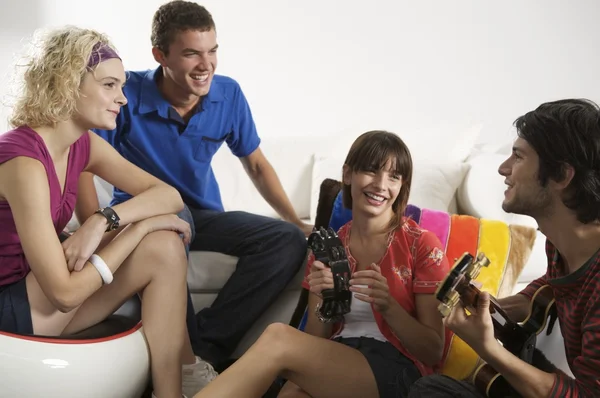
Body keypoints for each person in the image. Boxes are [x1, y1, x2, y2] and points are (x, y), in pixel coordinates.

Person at [75, 0, 309, 370]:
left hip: (204, 215)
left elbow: (258, 166)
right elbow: (84, 163)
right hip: (146, 218)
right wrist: (95, 224)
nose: (206, 65)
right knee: (171, 207)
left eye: (212, 50)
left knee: (286, 240)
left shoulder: (227, 95)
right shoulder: (125, 95)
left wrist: (295, 220)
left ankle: (205, 348)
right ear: (160, 55)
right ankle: (188, 362)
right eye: (191, 54)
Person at [0, 26, 217, 398]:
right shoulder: (23, 162)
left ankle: (170, 393)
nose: (123, 98)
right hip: (12, 304)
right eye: (109, 85)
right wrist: (136, 230)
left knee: (166, 244)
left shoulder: (82, 145)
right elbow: (64, 295)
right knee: (155, 238)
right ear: (68, 84)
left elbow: (168, 196)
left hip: (40, 288)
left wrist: (103, 221)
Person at [180, 130, 453, 398]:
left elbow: (432, 350)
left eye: (394, 177)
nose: (381, 185)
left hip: (397, 368)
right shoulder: (330, 246)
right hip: (338, 359)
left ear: (401, 186)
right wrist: (323, 301)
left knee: (278, 337)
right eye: (371, 171)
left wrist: (388, 307)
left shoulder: (421, 244)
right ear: (348, 174)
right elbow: (316, 337)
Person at [408, 99, 600, 397]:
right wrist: (501, 304)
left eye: (518, 157)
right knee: (431, 389)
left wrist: (488, 348)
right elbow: (550, 286)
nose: (502, 168)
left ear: (562, 175)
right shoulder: (562, 242)